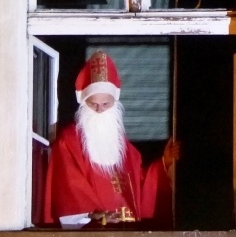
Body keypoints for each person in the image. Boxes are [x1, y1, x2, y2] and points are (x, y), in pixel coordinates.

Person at [42, 50, 179, 228]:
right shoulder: (69, 141)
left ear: (115, 102)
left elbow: (141, 187)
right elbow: (69, 188)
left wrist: (164, 164)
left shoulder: (123, 146)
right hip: (93, 233)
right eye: (93, 104)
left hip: (128, 231)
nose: (100, 110)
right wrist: (93, 215)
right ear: (83, 102)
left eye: (106, 104)